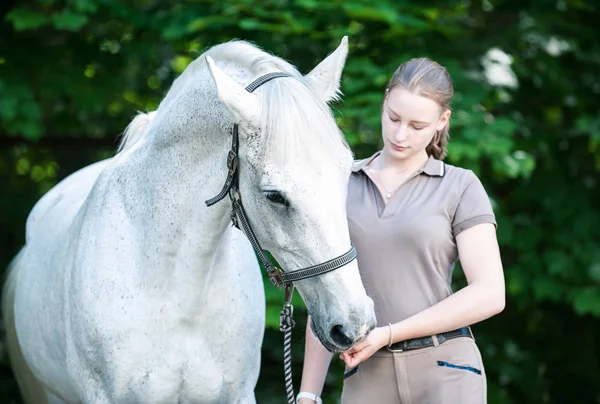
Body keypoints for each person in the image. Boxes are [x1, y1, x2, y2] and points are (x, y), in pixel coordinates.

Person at [296, 57, 505, 404]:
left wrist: (389, 333)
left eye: (417, 125)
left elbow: (489, 293)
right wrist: (307, 395)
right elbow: (325, 293)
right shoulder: (340, 185)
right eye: (393, 118)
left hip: (447, 371)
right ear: (384, 103)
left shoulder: (460, 186)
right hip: (367, 374)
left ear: (441, 122)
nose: (400, 134)